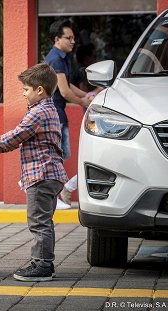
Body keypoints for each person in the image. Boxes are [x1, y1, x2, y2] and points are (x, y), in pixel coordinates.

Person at [0, 63, 68, 282]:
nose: (22, 93)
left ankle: (43, 265)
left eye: (26, 89)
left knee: (39, 222)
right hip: (49, 174)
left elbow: (14, 137)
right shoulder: (50, 109)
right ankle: (44, 262)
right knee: (43, 220)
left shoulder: (38, 113)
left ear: (39, 90)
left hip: (41, 175)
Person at [44, 19, 95, 209]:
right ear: (57, 39)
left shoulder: (62, 58)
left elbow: (68, 85)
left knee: (59, 155)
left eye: (74, 38)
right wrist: (84, 101)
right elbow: (64, 92)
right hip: (54, 115)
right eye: (69, 38)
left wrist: (88, 95)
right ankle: (52, 196)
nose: (73, 41)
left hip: (58, 114)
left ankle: (55, 193)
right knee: (57, 156)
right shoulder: (56, 59)